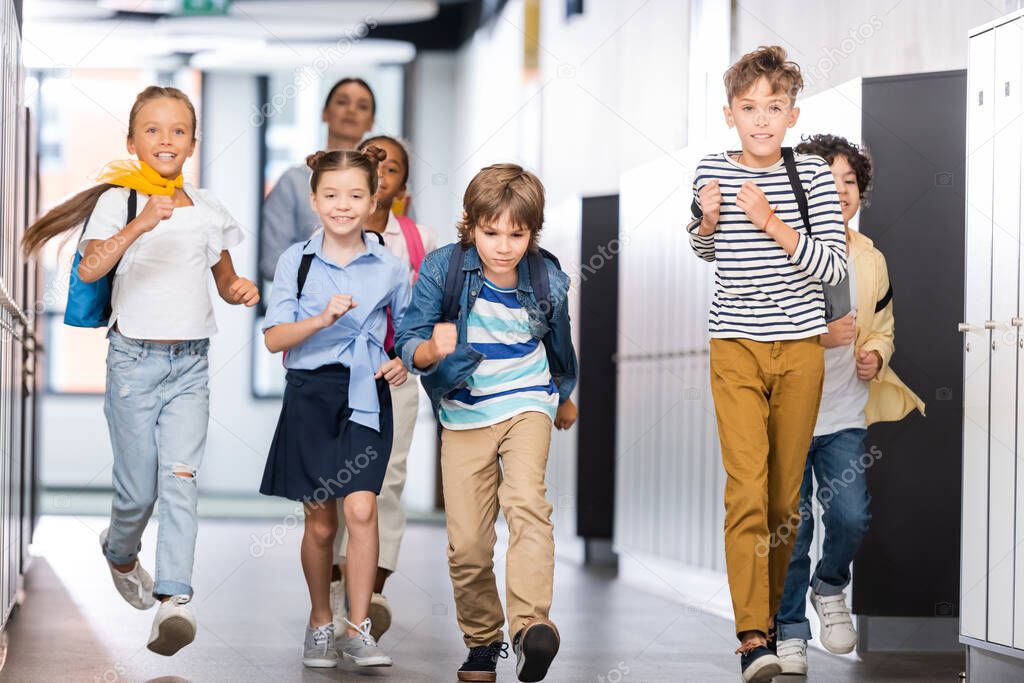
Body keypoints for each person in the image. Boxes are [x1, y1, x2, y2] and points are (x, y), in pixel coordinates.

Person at [22, 85, 259, 656]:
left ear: (193, 143)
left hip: (191, 366)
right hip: (133, 362)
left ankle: (174, 600)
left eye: (178, 130)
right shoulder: (120, 200)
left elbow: (224, 280)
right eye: (152, 130)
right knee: (137, 491)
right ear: (132, 142)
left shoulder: (208, 209)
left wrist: (238, 290)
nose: (166, 140)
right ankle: (120, 551)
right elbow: (91, 264)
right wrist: (140, 223)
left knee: (180, 481)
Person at [686, 46, 848, 682]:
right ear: (729, 114)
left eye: (773, 108)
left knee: (786, 502)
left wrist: (770, 221)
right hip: (734, 347)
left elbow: (833, 269)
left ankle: (779, 625)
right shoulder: (708, 166)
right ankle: (753, 637)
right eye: (748, 108)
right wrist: (708, 218)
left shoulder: (811, 177)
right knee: (746, 490)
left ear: (792, 114)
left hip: (802, 349)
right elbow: (704, 249)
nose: (760, 120)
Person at [395, 163, 578, 682]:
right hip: (465, 408)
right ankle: (483, 642)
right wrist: (431, 348)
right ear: (470, 224)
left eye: (516, 234)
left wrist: (563, 394)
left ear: (532, 232)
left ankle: (529, 627)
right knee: (468, 542)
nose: (503, 246)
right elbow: (408, 341)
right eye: (491, 232)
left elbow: (558, 342)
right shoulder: (442, 269)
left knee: (527, 506)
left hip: (528, 401)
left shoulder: (546, 276)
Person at [774, 134, 925, 675]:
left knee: (850, 515)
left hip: (842, 416)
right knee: (790, 528)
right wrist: (821, 337)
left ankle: (830, 586)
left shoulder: (870, 258)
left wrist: (876, 357)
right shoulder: (783, 247)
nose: (841, 192)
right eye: (828, 180)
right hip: (789, 415)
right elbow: (765, 330)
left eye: (850, 183)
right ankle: (788, 630)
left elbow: (882, 327)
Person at [259, 147, 410, 669]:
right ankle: (320, 622)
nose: (342, 205)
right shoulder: (294, 261)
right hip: (310, 395)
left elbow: (406, 336)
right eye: (330, 195)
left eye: (354, 195)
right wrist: (322, 319)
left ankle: (357, 628)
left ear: (373, 200)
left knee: (362, 508)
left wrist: (400, 361)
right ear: (313, 199)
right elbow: (275, 339)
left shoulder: (390, 266)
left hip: (367, 394)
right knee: (321, 524)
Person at [328, 135, 438, 642]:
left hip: (394, 377)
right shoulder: (328, 234)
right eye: (370, 158)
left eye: (390, 166)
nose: (379, 169)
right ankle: (335, 583)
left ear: (400, 188)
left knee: (385, 480)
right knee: (332, 483)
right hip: (334, 377)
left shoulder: (418, 240)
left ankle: (371, 590)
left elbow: (431, 311)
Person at [260, 77, 377, 282]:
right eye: (342, 102)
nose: (351, 110)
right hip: (308, 308)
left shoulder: (384, 185)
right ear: (324, 113)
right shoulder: (293, 182)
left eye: (362, 106)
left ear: (371, 122)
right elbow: (272, 263)